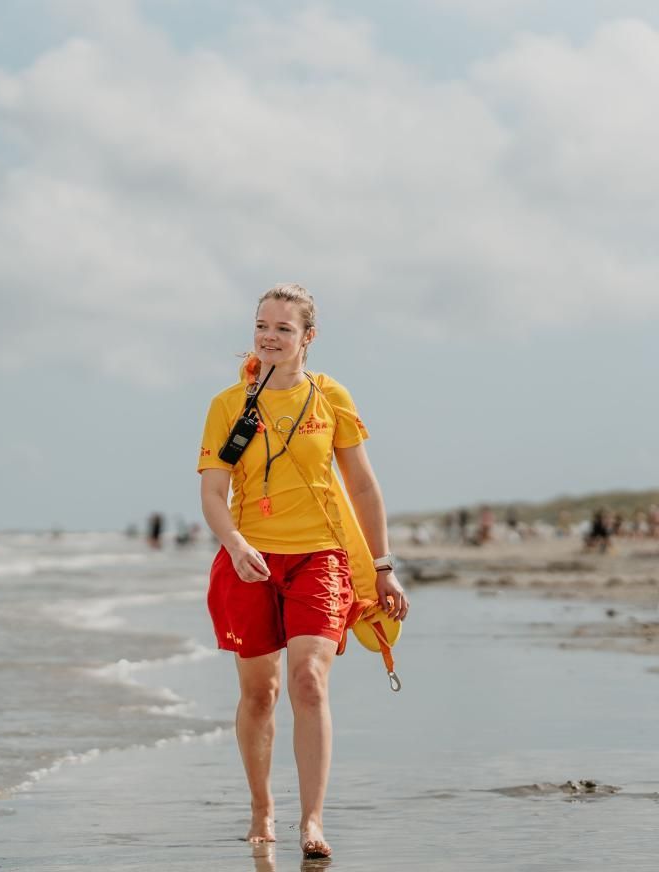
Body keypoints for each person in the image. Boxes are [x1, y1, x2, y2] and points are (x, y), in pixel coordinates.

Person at [197, 284, 408, 861]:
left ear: (307, 337)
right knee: (259, 693)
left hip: (321, 556)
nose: (269, 336)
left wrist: (383, 566)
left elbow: (363, 486)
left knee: (309, 681)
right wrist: (235, 543)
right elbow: (213, 492)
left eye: (284, 328)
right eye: (262, 325)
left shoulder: (330, 397)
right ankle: (262, 806)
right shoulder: (227, 405)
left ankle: (312, 820)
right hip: (249, 561)